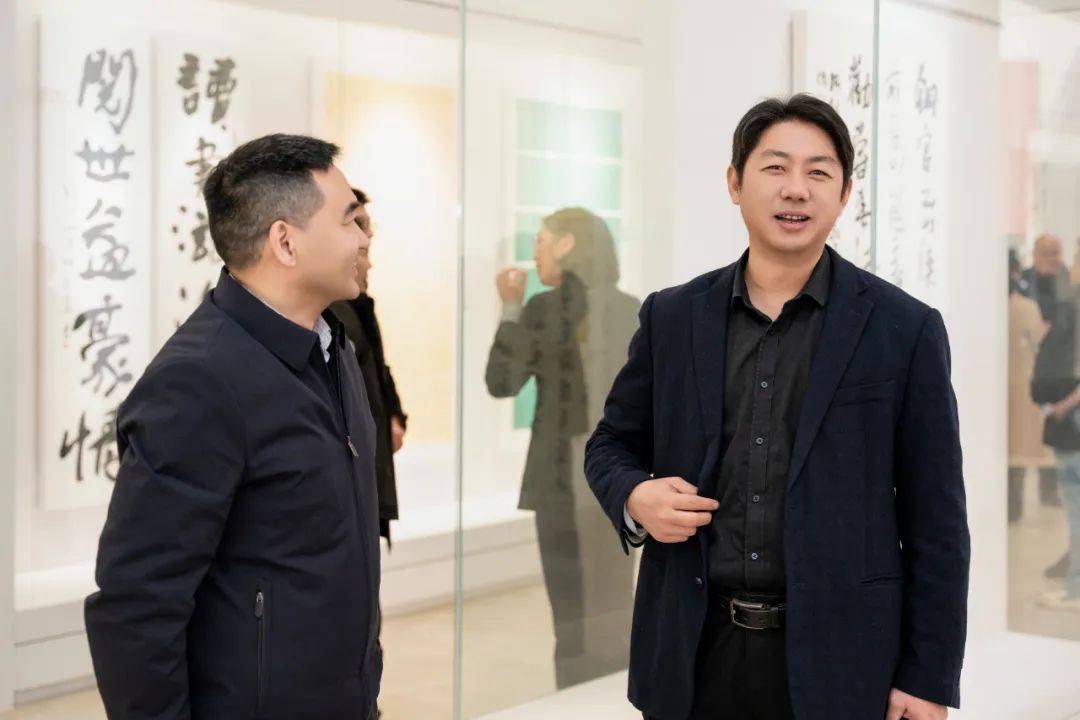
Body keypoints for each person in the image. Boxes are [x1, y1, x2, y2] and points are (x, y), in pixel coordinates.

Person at [585, 94, 969, 720]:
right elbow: (610, 444)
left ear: (845, 195)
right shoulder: (673, 316)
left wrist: (928, 676)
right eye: (775, 167)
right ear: (735, 183)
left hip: (842, 661)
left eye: (818, 172)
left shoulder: (904, 329)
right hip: (693, 651)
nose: (796, 189)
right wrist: (634, 496)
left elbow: (938, 518)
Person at [85, 134, 382, 719]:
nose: (365, 237)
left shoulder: (333, 349)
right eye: (350, 220)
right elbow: (137, 605)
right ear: (285, 242)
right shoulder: (197, 381)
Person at [486, 207, 640, 689]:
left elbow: (501, 381)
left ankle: (575, 698)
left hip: (563, 480)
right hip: (619, 480)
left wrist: (511, 307)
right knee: (612, 605)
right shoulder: (632, 309)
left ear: (567, 244)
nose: (535, 254)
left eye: (541, 241)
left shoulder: (543, 309)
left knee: (571, 613)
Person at [330, 188, 408, 544]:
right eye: (358, 225)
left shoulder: (358, 308)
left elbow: (377, 369)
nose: (367, 239)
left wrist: (394, 414)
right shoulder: (332, 314)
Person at [1008, 249, 1051, 524]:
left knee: (1009, 447)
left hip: (1006, 385)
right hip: (1021, 382)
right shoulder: (1026, 306)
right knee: (1018, 450)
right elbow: (1037, 341)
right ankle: (1015, 507)